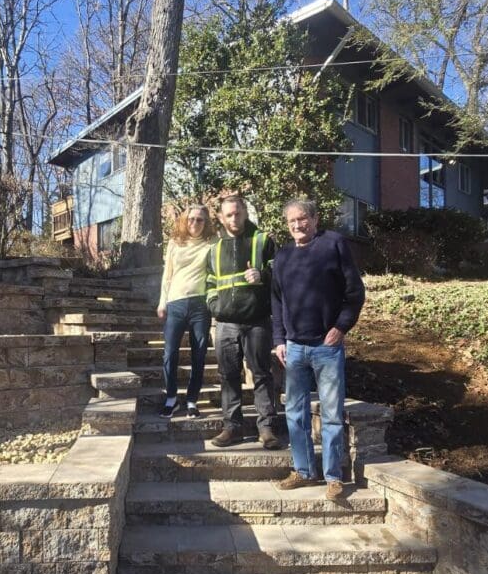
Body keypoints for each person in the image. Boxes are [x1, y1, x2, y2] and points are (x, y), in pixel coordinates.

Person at [271, 198, 366, 498]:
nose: (298, 225)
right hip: (294, 347)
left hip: (327, 345)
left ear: (314, 219)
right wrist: (279, 340)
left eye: (303, 219)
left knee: (332, 413)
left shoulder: (333, 244)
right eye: (292, 221)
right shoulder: (283, 256)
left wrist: (341, 327)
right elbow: (276, 301)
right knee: (294, 414)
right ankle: (302, 471)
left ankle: (333, 477)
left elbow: (355, 292)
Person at [205, 194, 281, 449]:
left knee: (261, 374)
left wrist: (263, 275)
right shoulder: (214, 248)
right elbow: (209, 282)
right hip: (225, 323)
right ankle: (232, 427)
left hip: (257, 320)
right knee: (228, 375)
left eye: (238, 213)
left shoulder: (262, 240)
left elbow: (280, 272)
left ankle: (266, 428)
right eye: (228, 214)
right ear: (221, 217)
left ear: (245, 212)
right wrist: (215, 306)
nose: (234, 218)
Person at [157, 204, 217, 418]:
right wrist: (162, 302)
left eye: (200, 219)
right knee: (170, 353)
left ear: (206, 222)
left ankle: (192, 400)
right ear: (185, 220)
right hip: (175, 303)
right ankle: (171, 398)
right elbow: (167, 275)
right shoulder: (175, 243)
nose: (195, 223)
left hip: (200, 306)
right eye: (191, 219)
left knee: (199, 354)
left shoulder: (212, 242)